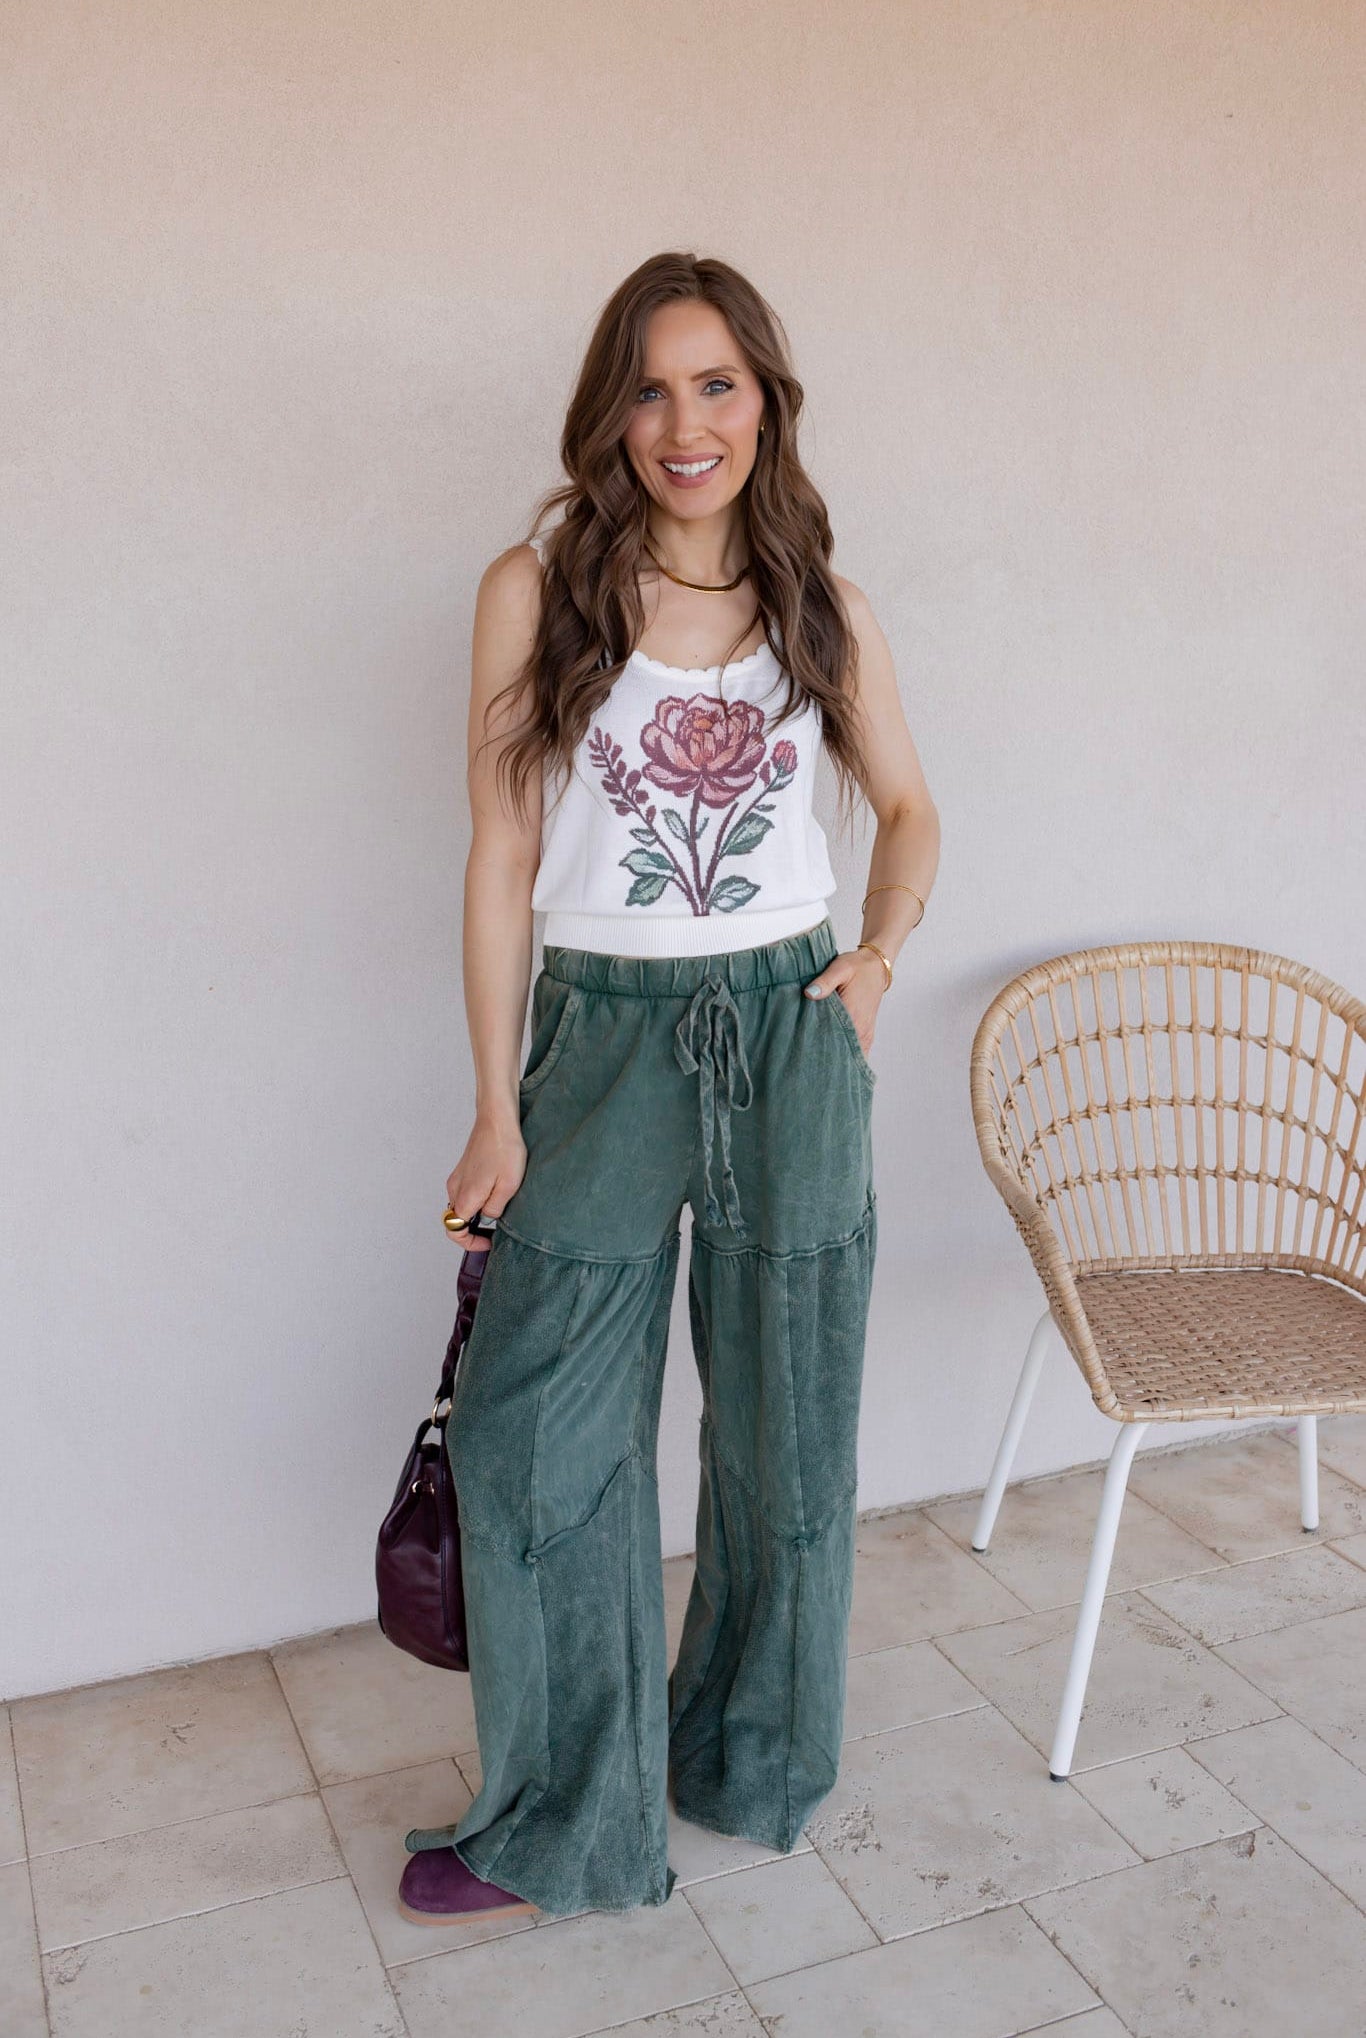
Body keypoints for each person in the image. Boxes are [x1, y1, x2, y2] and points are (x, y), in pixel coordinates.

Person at [397, 250, 940, 1926]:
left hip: (790, 1033)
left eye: (715, 383)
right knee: (534, 1434)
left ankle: (745, 1755)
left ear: (763, 401)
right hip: (602, 1037)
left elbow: (909, 809)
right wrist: (496, 1101)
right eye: (647, 387)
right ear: (608, 411)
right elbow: (501, 856)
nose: (682, 422)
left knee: (788, 1425)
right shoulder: (537, 586)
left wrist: (874, 958)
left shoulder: (820, 605)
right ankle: (564, 1817)